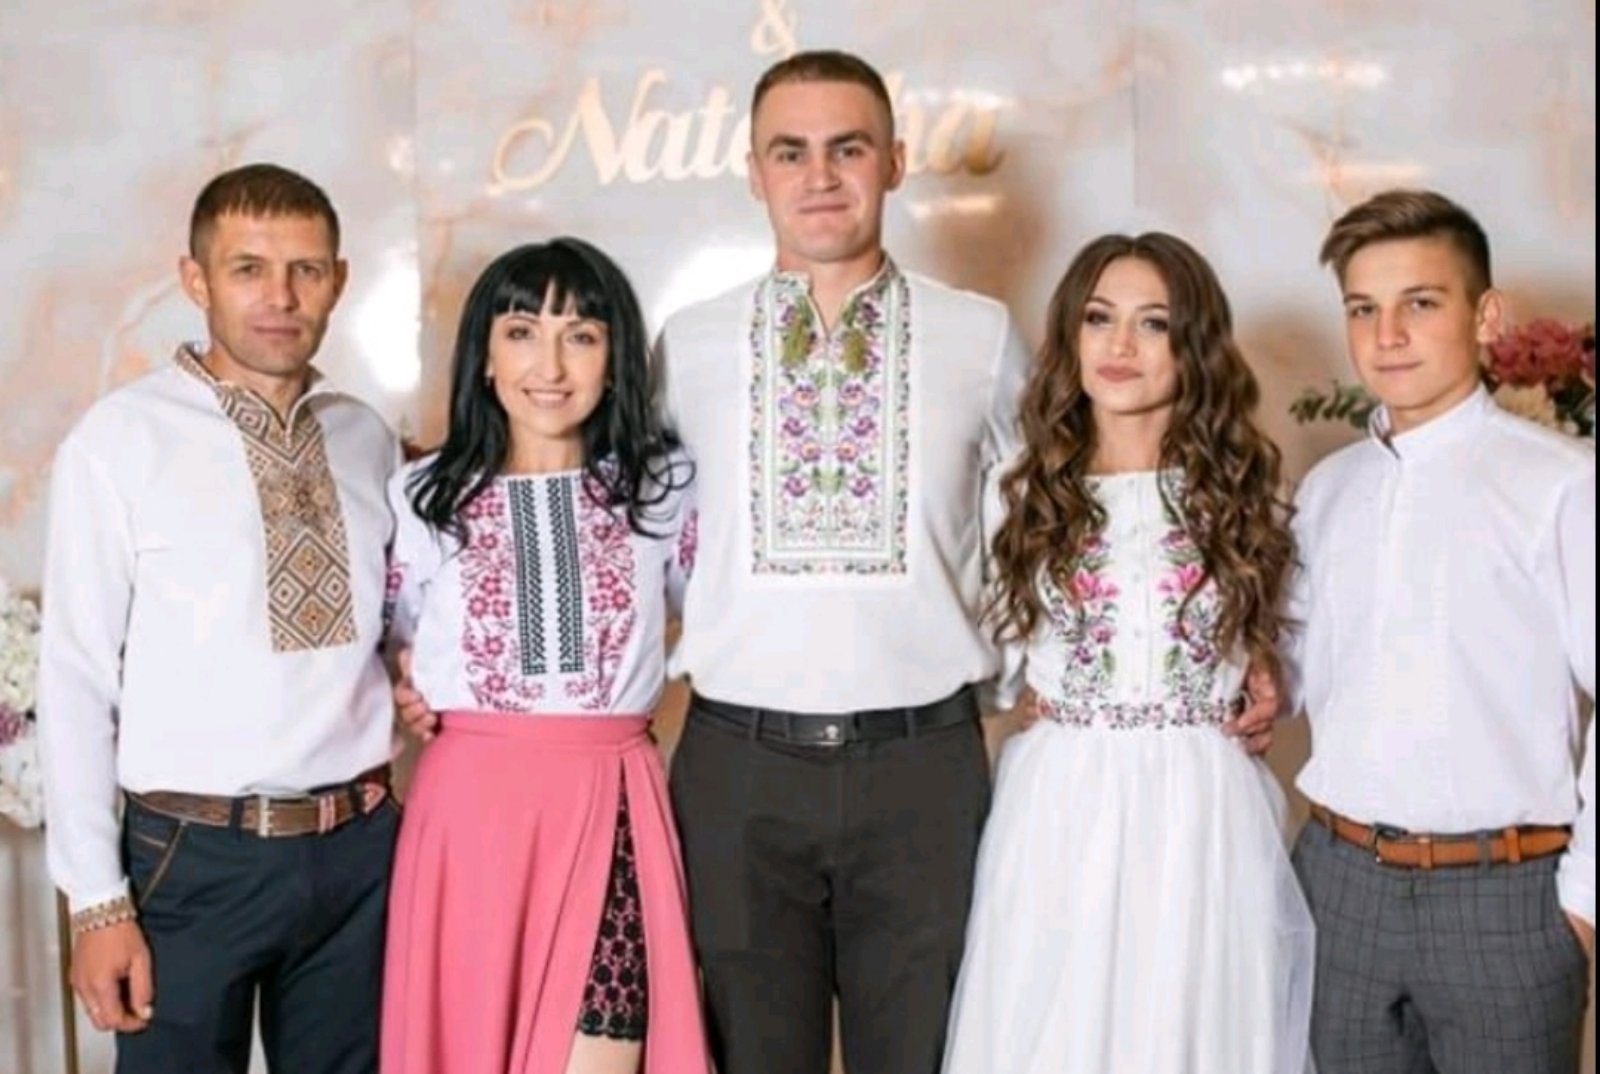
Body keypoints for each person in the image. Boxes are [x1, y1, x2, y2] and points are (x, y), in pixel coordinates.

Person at [399, 49, 1280, 1073]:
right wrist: (425, 659)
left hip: (923, 767)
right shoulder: (690, 345)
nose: (819, 176)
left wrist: (1231, 645)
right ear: (753, 172)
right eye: (790, 152)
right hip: (737, 768)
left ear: (894, 161)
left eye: (847, 148)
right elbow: (580, 505)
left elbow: (1070, 496)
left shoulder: (978, 336)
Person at [36, 163, 400, 1073]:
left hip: (360, 854)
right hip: (191, 859)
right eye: (248, 269)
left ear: (338, 281)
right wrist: (96, 899)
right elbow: (75, 679)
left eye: (305, 270)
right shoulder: (120, 441)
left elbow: (396, 630)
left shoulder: (367, 438)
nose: (280, 297)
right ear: (194, 280)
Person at [941, 232, 1315, 1074]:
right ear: (1069, 335)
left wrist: (1268, 676)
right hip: (1063, 800)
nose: (1120, 345)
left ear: (1195, 345)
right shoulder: (1022, 495)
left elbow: (1294, 641)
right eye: (1099, 318)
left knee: (1197, 1025)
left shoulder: (1246, 496)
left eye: (1154, 323)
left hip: (1203, 804)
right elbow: (983, 640)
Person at [378, 238, 710, 1074]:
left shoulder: (663, 489)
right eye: (522, 332)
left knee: (607, 1043)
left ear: (616, 361)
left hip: (610, 804)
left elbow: (718, 613)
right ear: (485, 358)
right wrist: (406, 680)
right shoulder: (423, 498)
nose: (551, 366)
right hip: (470, 822)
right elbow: (392, 637)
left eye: (581, 337)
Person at [1286, 188, 1594, 1074]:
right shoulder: (1328, 490)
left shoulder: (1562, 485)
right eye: (1363, 309)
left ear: (1485, 315)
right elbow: (1291, 674)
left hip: (1506, 900)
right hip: (1339, 886)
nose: (1387, 335)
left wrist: (1582, 907)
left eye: (1419, 303)